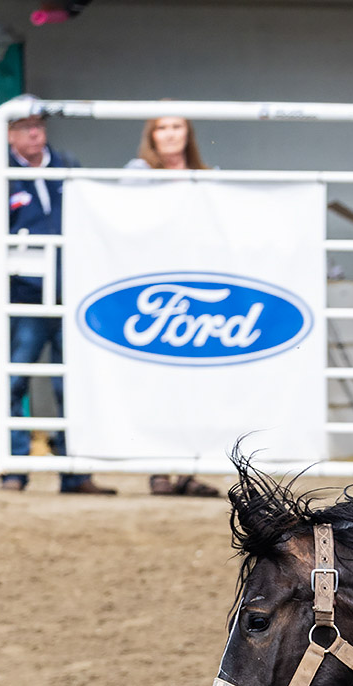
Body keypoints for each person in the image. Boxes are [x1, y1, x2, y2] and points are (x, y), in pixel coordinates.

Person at [4, 107, 111, 493]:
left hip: (73, 288)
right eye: (24, 127)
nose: (34, 134)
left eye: (38, 126)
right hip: (25, 292)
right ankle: (14, 468)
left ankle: (75, 471)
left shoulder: (66, 165)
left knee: (72, 380)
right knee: (15, 377)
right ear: (10, 134)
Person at [125, 114, 221, 497]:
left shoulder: (207, 173)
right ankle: (159, 469)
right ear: (151, 135)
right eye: (161, 128)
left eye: (177, 127)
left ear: (188, 133)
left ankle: (190, 468)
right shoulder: (137, 173)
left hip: (198, 290)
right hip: (155, 291)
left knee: (196, 382)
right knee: (157, 380)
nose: (170, 135)